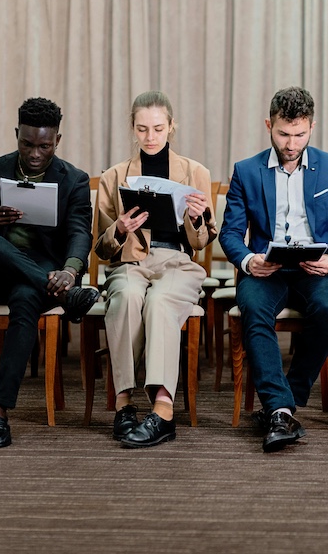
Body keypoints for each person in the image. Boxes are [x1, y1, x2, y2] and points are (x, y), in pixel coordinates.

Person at [219, 86, 328, 452]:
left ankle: (284, 402)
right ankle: (281, 408)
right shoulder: (246, 171)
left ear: (312, 127)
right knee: (252, 310)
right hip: (268, 267)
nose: (291, 143)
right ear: (269, 125)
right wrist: (249, 260)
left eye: (300, 134)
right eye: (283, 133)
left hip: (316, 267)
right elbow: (231, 232)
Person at [0, 97, 99, 448]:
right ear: (16, 134)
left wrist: (69, 271)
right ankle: (67, 297)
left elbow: (81, 232)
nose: (35, 153)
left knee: (25, 298)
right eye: (27, 144)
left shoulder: (75, 179)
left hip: (46, 278)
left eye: (44, 146)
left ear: (57, 141)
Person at [95, 91, 216, 448]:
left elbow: (201, 242)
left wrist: (198, 217)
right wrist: (119, 229)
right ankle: (124, 404)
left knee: (161, 301)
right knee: (128, 296)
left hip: (177, 260)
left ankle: (163, 410)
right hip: (131, 262)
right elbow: (101, 249)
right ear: (132, 128)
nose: (151, 137)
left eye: (158, 128)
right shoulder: (115, 176)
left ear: (171, 127)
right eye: (143, 129)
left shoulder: (195, 172)